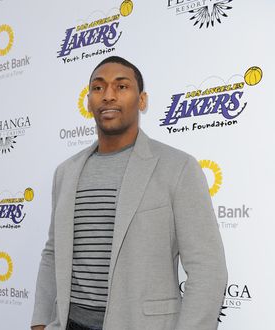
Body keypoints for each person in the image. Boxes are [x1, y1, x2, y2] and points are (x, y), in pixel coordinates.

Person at [31, 56, 227, 330]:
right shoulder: (65, 172)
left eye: (121, 87)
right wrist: (40, 321)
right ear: (88, 102)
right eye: (98, 88)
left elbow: (208, 268)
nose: (108, 96)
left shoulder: (178, 167)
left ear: (142, 100)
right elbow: (52, 253)